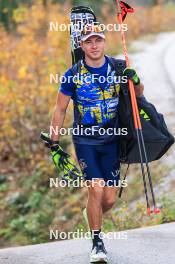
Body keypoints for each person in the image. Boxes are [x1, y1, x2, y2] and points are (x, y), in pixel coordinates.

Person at [50, 24, 144, 263]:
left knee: (109, 199)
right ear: (81, 46)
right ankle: (97, 243)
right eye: (89, 42)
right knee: (97, 187)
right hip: (85, 141)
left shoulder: (118, 67)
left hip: (112, 139)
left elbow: (139, 95)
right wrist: (54, 144)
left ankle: (90, 213)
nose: (94, 45)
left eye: (98, 40)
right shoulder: (72, 74)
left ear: (104, 42)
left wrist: (136, 80)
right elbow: (60, 109)